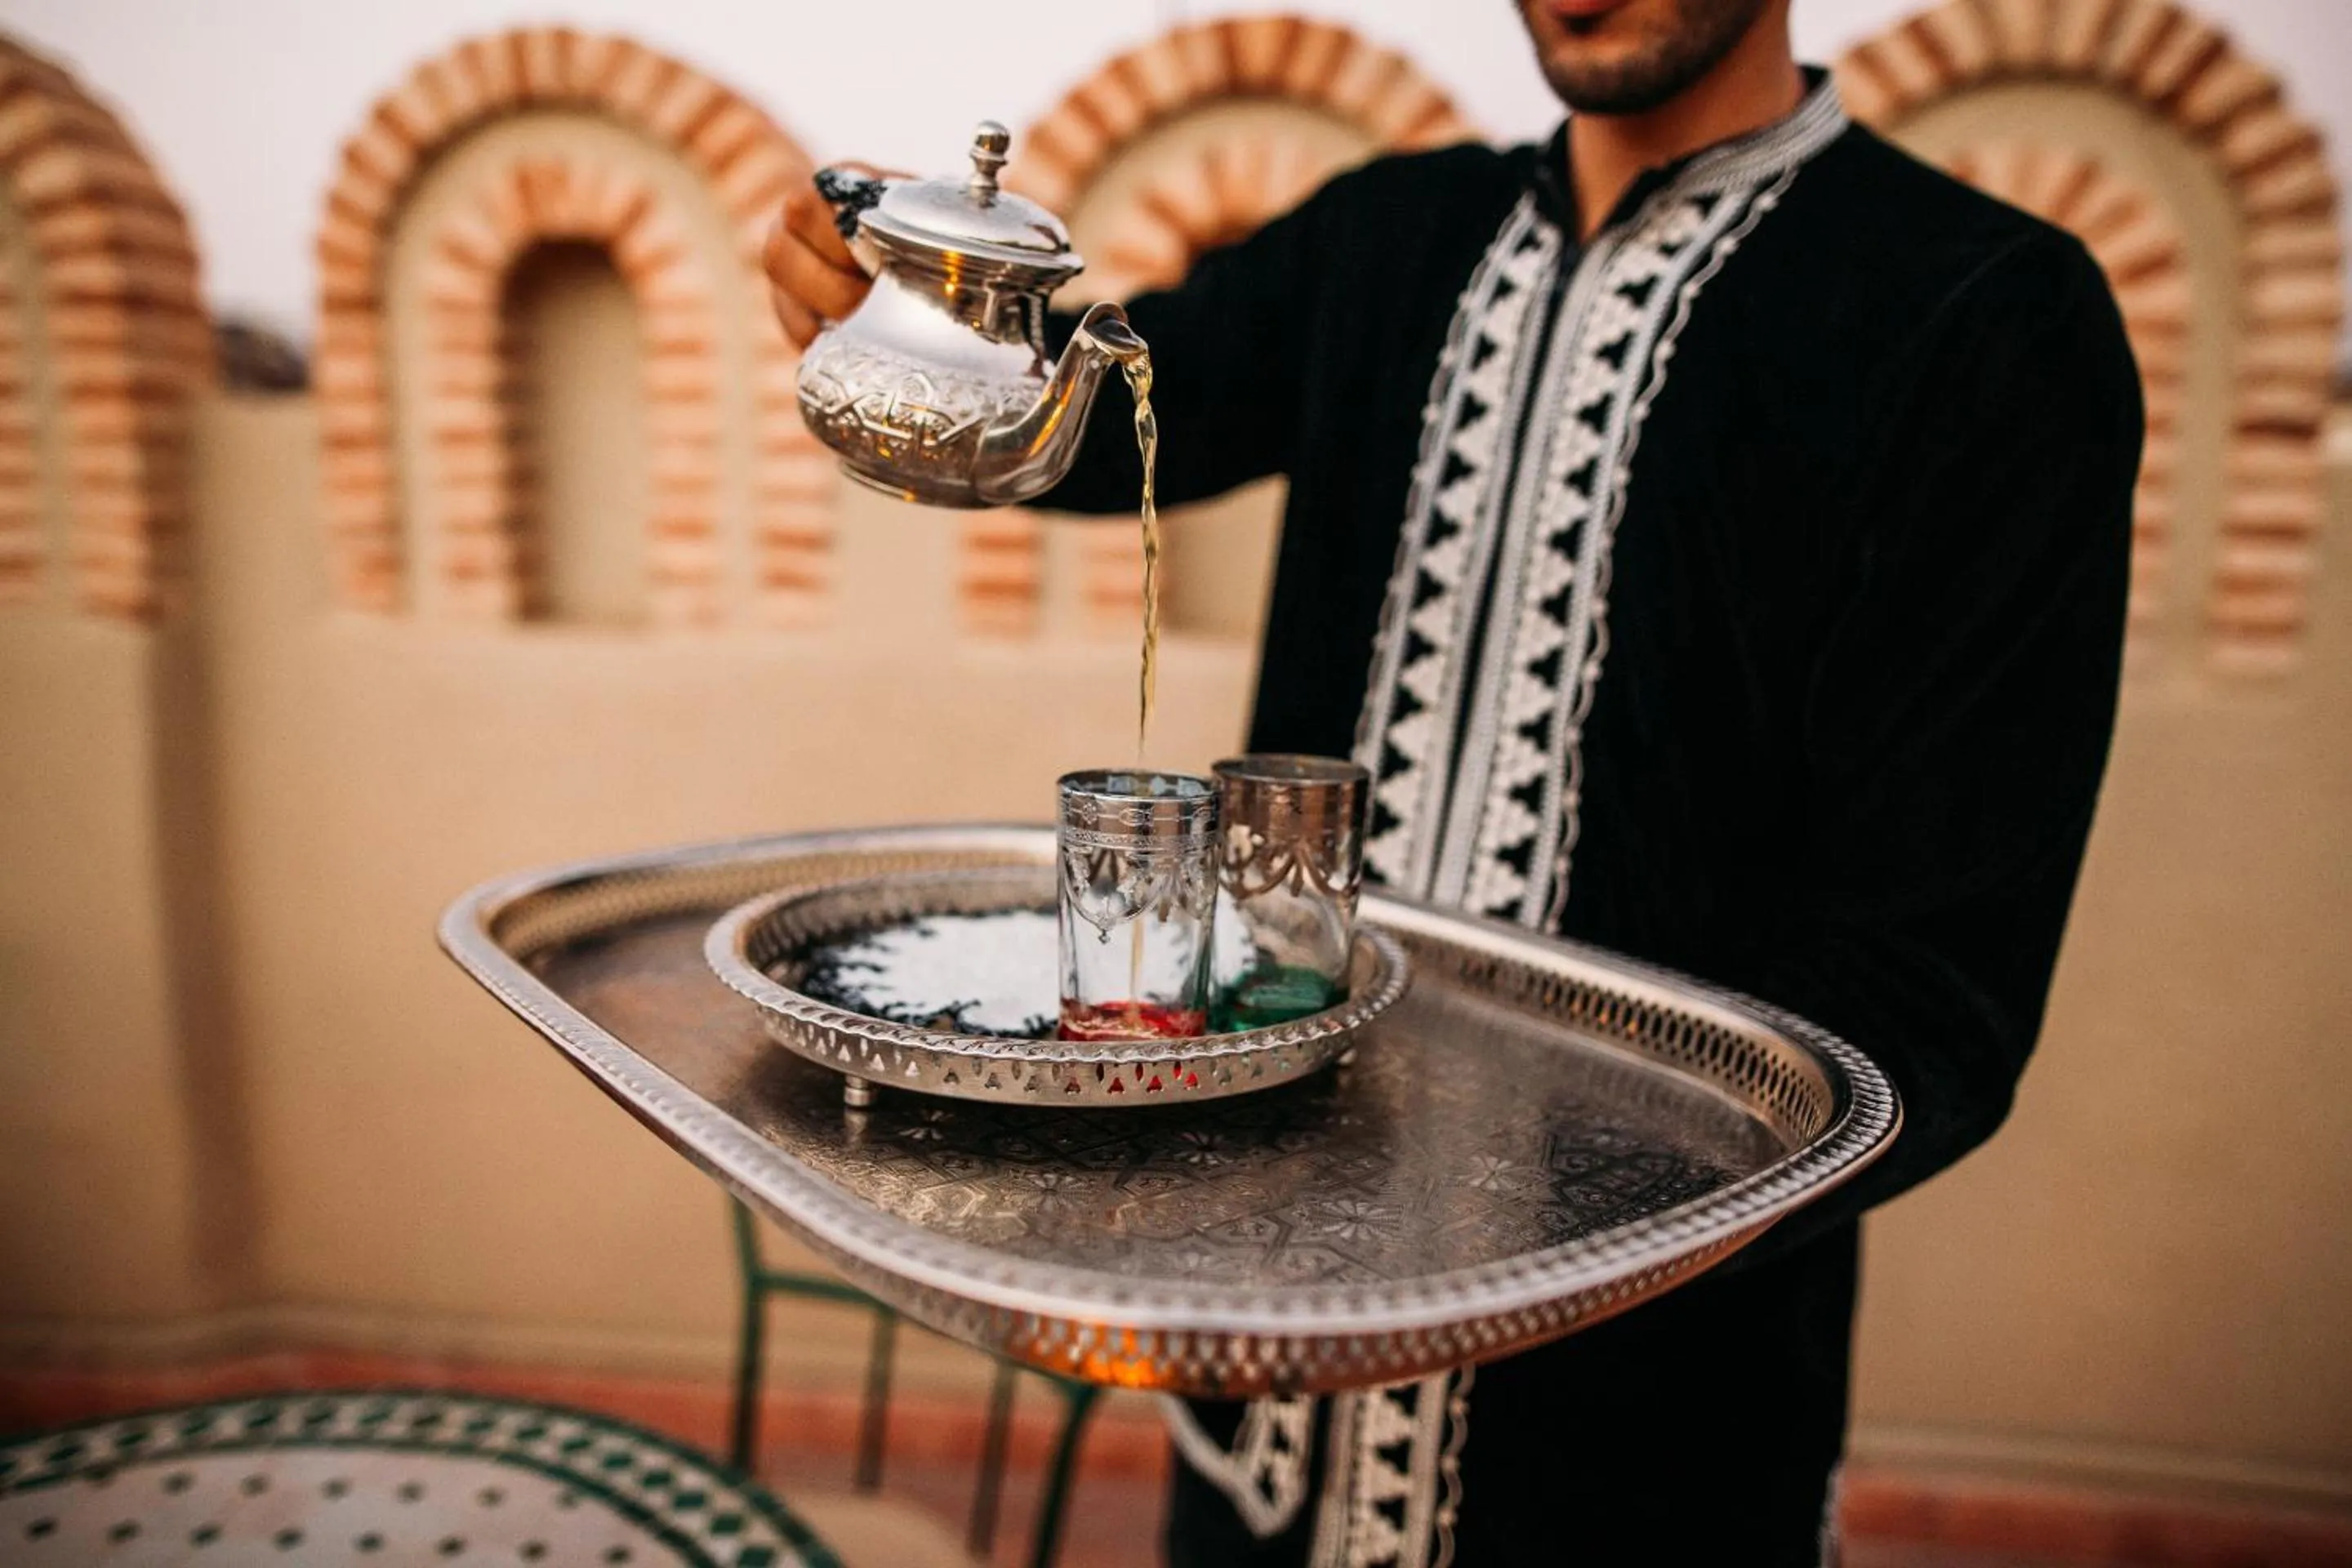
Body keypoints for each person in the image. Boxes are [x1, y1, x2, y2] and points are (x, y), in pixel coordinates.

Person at [767, 0, 2143, 1559]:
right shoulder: (1389, 243)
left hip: (1640, 1457)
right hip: (1260, 1410)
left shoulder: (1978, 316)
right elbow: (1080, 420)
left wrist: (1492, 1222)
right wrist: (904, 300)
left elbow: (1928, 1000)